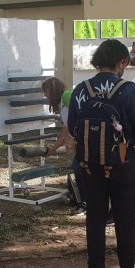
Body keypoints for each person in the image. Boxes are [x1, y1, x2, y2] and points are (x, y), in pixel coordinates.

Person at [67, 39, 135, 268]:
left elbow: (73, 127)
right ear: (122, 62)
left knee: (95, 216)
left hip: (89, 165)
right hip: (123, 163)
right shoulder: (130, 90)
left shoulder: (80, 90)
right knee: (125, 215)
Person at [41, 77, 86, 215]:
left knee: (80, 170)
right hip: (88, 137)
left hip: (84, 141)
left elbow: (66, 133)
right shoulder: (69, 95)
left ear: (52, 91)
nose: (45, 95)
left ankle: (84, 203)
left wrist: (52, 150)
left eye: (46, 91)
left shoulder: (66, 101)